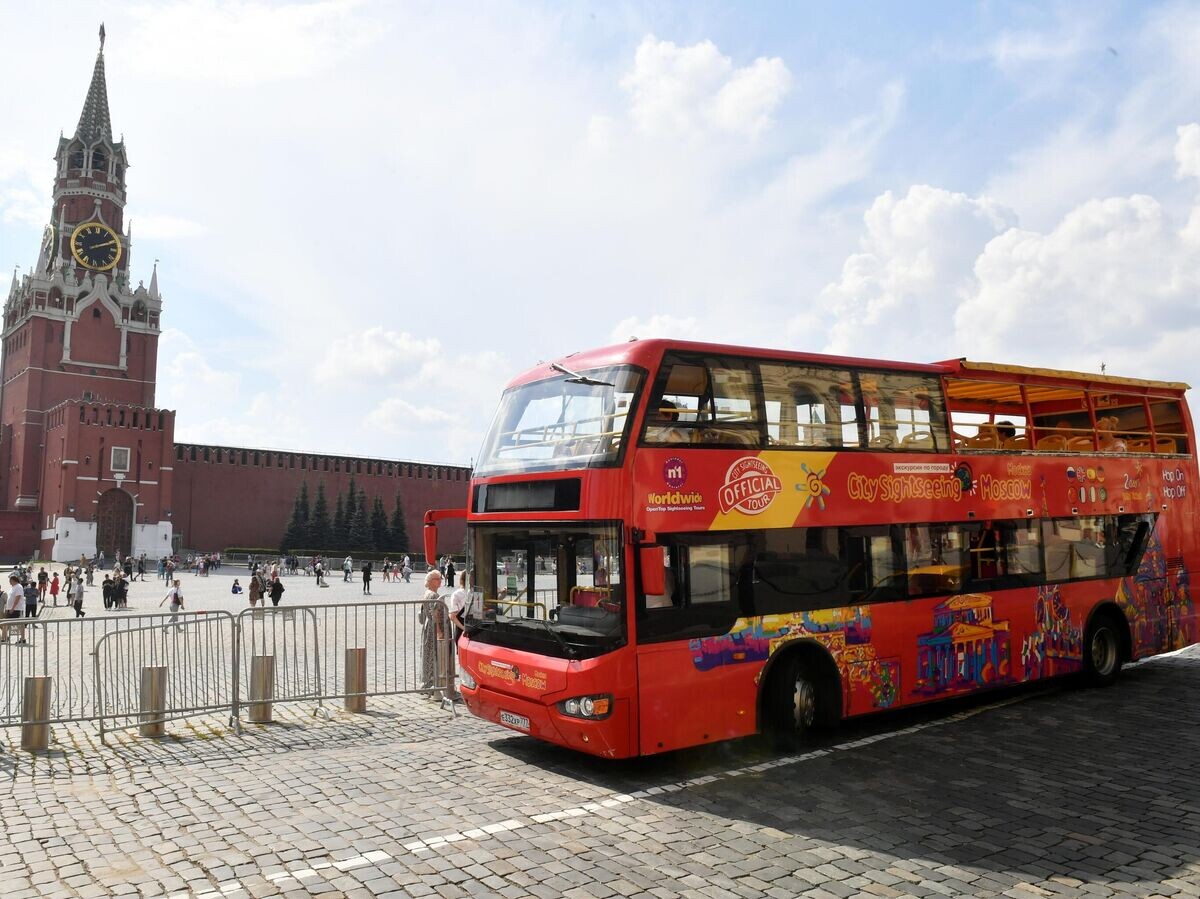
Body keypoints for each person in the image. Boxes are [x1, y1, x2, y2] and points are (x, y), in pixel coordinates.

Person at [417, 569, 445, 695]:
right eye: (438, 579)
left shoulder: (428, 593)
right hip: (433, 628)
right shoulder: (433, 595)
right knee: (433, 654)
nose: (440, 581)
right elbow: (435, 615)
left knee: (428, 654)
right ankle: (431, 683)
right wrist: (439, 630)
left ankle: (427, 682)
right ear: (431, 581)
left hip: (428, 627)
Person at [4, 575, 27, 644]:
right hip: (10, 609)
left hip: (16, 609)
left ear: (13, 580)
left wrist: (13, 608)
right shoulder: (13, 587)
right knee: (6, 623)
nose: (9, 582)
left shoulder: (18, 587)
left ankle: (23, 638)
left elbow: (18, 597)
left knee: (20, 624)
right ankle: (4, 638)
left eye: (10, 580)